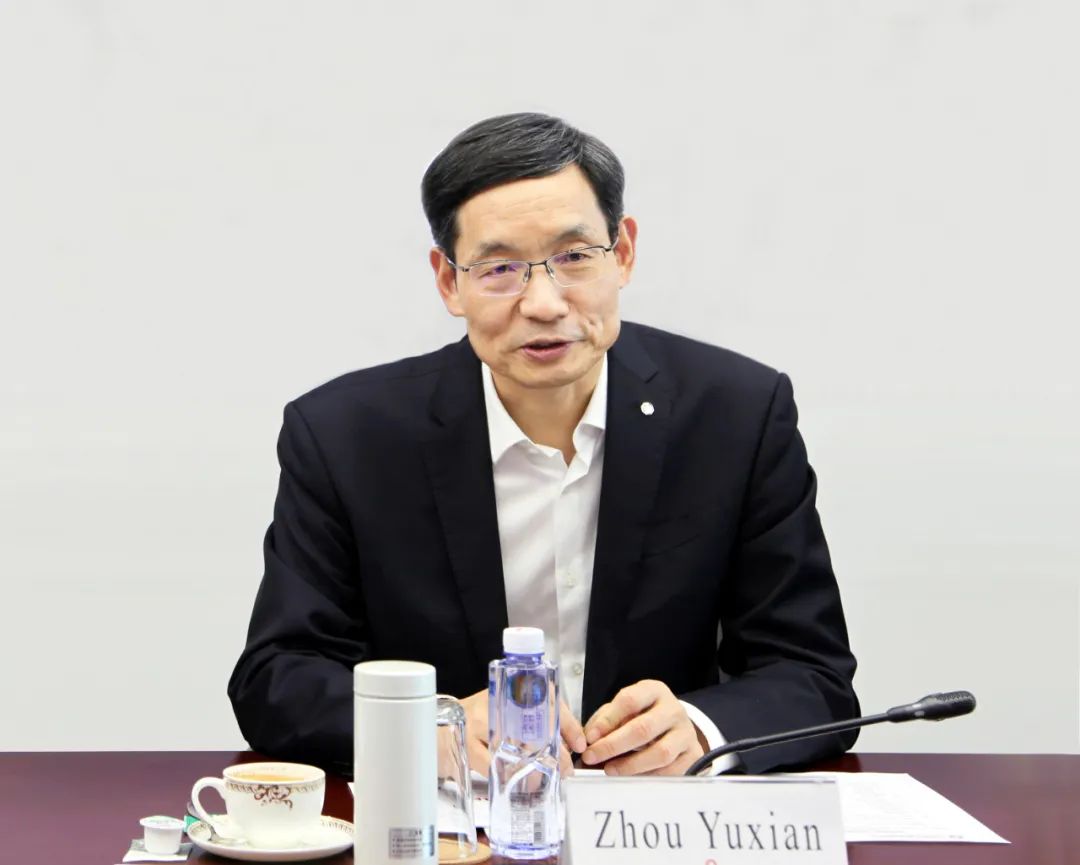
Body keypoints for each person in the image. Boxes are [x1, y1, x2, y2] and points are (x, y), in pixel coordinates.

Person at [228, 112, 859, 778]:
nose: (544, 303)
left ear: (624, 253)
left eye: (574, 257)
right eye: (500, 267)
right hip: (453, 818)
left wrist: (702, 730)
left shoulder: (736, 415)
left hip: (653, 818)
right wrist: (425, 727)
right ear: (448, 281)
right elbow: (278, 676)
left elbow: (811, 672)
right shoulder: (347, 436)